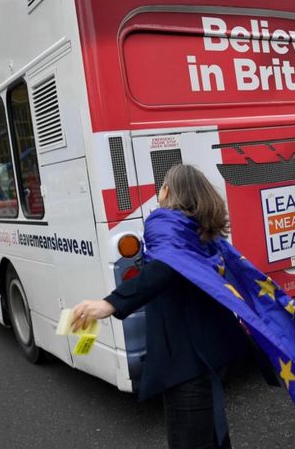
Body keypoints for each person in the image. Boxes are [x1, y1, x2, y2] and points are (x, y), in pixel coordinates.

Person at [70, 165, 250, 448]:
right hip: (209, 353)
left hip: (186, 360)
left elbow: (165, 267)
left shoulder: (165, 224)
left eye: (161, 186)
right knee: (214, 433)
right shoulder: (200, 232)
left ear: (166, 191)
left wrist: (110, 303)